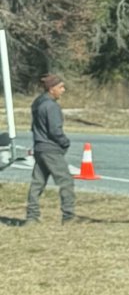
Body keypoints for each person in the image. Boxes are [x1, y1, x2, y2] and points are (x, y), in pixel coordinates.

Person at [26, 74, 76, 225]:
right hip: (51, 149)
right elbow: (55, 130)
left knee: (37, 183)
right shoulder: (51, 106)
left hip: (39, 148)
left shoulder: (37, 103)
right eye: (60, 87)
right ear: (51, 88)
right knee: (66, 181)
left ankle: (31, 217)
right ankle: (68, 217)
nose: (63, 90)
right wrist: (64, 142)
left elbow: (33, 127)